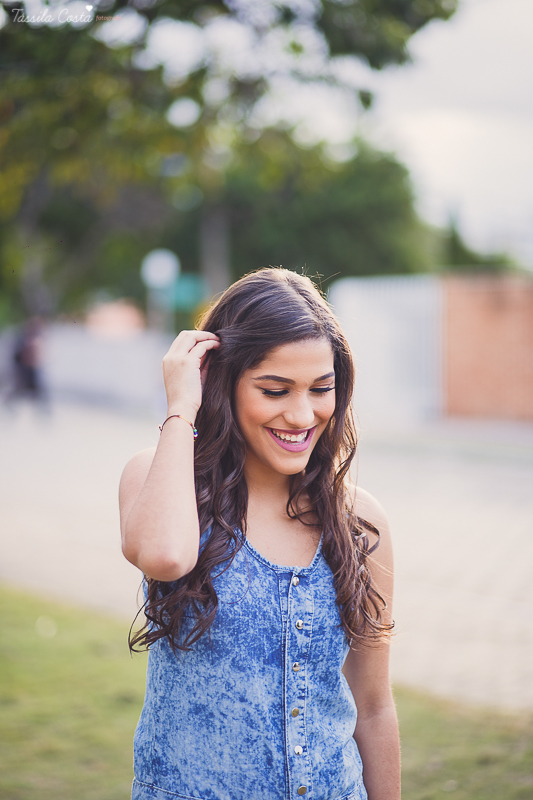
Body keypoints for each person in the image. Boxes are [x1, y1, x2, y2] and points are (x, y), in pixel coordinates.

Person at [119, 268, 400, 800]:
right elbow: (163, 554)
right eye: (274, 390)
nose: (301, 414)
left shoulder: (362, 523)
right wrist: (182, 408)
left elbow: (374, 705)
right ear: (221, 384)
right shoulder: (160, 481)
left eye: (321, 389)